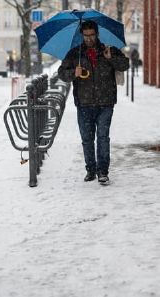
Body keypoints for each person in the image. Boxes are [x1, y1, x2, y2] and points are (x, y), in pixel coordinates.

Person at [58, 20, 129, 184]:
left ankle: (103, 171)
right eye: (86, 35)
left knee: (103, 137)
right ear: (82, 35)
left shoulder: (108, 50)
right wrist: (73, 73)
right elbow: (61, 73)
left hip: (106, 102)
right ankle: (90, 169)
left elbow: (125, 64)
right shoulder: (75, 54)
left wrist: (111, 59)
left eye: (92, 35)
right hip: (84, 103)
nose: (89, 39)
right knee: (87, 139)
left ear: (97, 34)